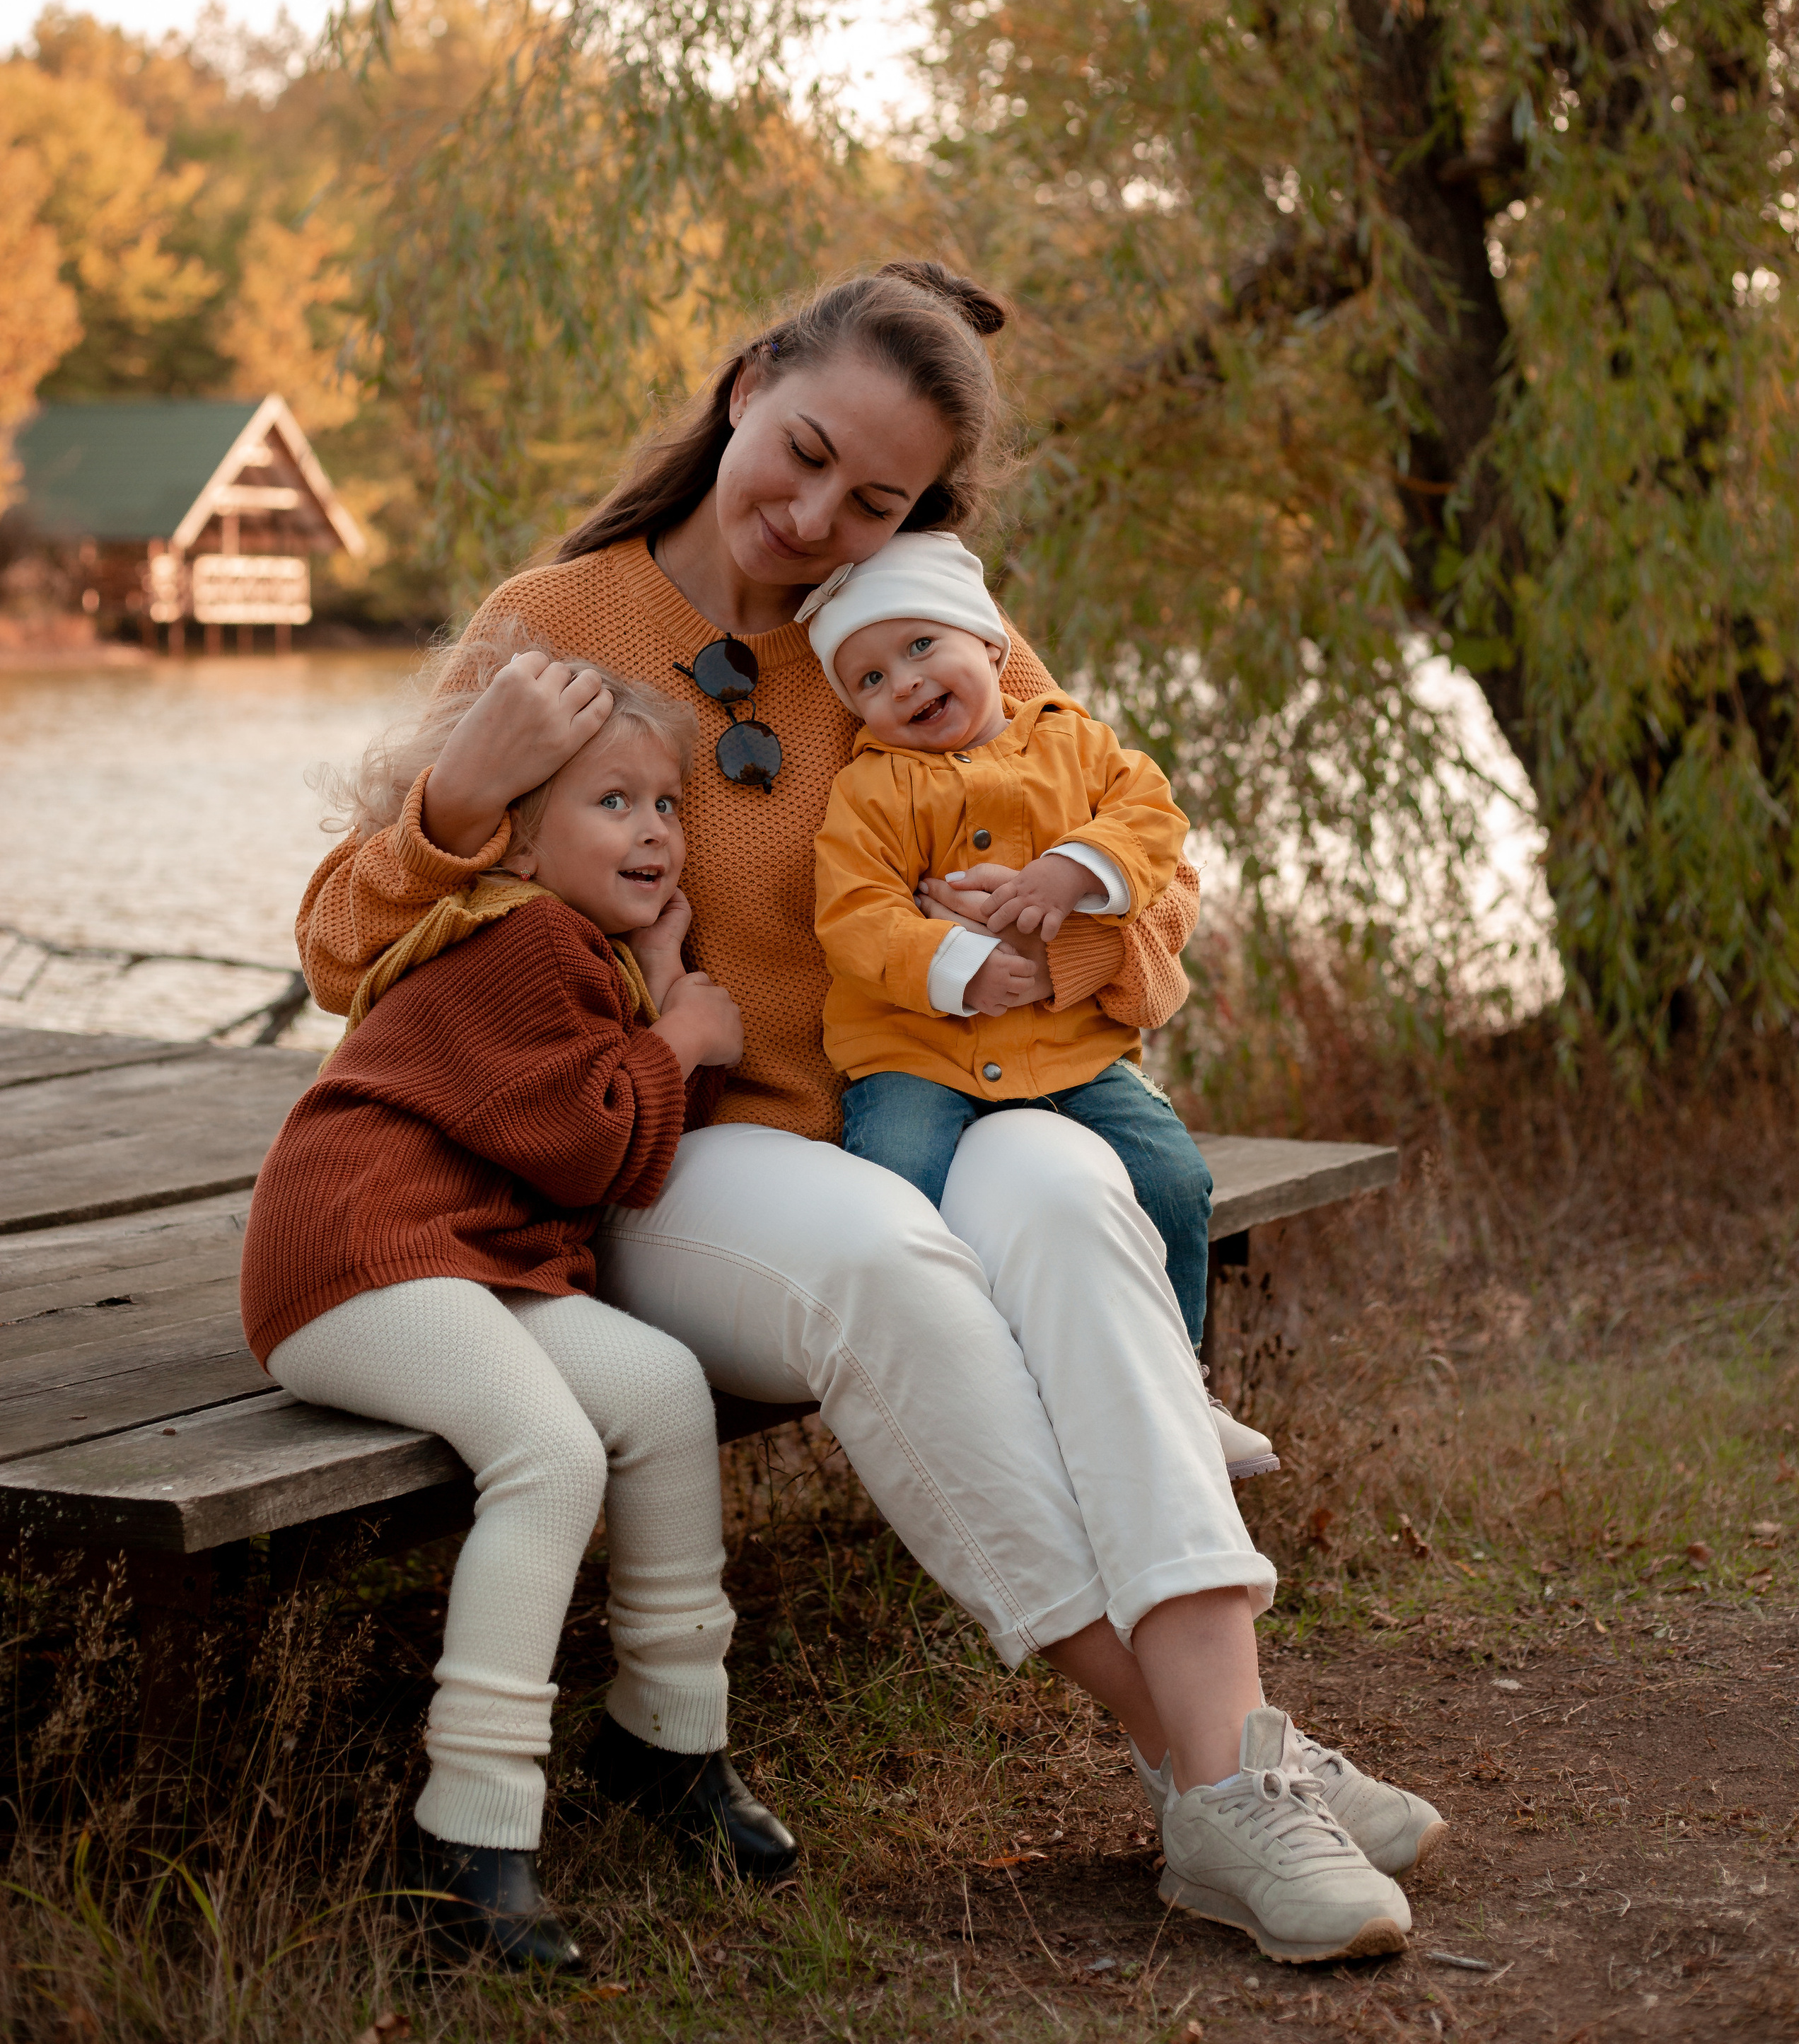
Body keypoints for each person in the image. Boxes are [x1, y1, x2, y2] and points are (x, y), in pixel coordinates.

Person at [296, 260, 1445, 1965]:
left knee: (1072, 1201)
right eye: (806, 450)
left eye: (875, 498)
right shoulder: (557, 624)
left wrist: (1045, 942)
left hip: (958, 1092)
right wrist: (460, 797)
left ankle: (1226, 1774)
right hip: (683, 1148)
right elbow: (340, 950)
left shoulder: (924, 633)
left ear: (923, 520)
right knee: (890, 1259)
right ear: (746, 377)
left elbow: (1148, 886)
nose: (815, 515)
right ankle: (1226, 1771)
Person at [243, 658, 798, 1978]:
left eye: (667, 806)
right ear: (519, 837)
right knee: (548, 1454)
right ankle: (472, 1836)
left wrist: (659, 998)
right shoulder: (526, 939)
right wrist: (684, 1040)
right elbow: (586, 1143)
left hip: (458, 1259)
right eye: (614, 802)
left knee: (660, 1390)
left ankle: (670, 1737)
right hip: (357, 1257)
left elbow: (613, 1153)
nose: (657, 833)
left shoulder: (583, 951)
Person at [801, 527, 1218, 1348]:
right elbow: (855, 914)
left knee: (1173, 1178)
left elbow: (1152, 818)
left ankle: (1176, 1376)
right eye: (872, 679)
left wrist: (1073, 870)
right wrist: (959, 965)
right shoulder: (871, 790)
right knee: (894, 1192)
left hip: (1071, 1046)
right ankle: (949, 1362)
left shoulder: (1078, 743)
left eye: (922, 644)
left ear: (992, 646)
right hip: (914, 1051)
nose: (906, 681)